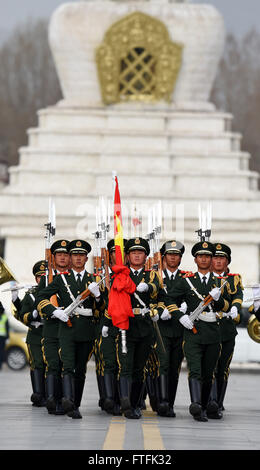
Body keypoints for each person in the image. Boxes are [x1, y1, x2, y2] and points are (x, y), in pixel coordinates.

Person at [37, 239, 105, 419]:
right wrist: (54, 311)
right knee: (67, 366)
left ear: (85, 258)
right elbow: (41, 297)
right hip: (66, 328)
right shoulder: (61, 279)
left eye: (81, 256)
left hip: (86, 329)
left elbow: (101, 309)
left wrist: (98, 296)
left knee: (80, 368)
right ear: (70, 258)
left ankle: (75, 403)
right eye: (74, 255)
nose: (77, 259)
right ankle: (67, 400)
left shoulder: (94, 280)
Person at [164, 241, 231, 422]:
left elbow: (226, 306)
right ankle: (196, 405)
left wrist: (217, 300)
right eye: (200, 256)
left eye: (207, 256)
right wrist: (179, 315)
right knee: (195, 369)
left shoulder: (220, 282)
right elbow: (169, 299)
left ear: (211, 259)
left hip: (212, 332)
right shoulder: (186, 281)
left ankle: (203, 404)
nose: (204, 259)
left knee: (209, 372)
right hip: (192, 331)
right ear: (195, 259)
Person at [103, 237, 160, 419]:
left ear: (145, 256)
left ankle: (135, 403)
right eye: (133, 252)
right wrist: (106, 322)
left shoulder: (151, 275)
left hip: (144, 324)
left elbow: (160, 293)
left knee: (139, 368)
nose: (137, 255)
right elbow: (112, 299)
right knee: (125, 366)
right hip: (125, 324)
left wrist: (149, 289)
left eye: (140, 252)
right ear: (127, 256)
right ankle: (125, 402)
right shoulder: (120, 275)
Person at [210, 242, 243, 418]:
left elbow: (238, 295)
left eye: (221, 258)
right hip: (208, 326)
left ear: (227, 261)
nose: (218, 261)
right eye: (215, 257)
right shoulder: (203, 277)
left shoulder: (234, 278)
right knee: (210, 366)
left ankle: (219, 402)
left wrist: (236, 307)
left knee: (223, 367)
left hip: (227, 329)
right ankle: (211, 401)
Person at [38, 239, 70, 415]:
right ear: (53, 257)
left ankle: (65, 400)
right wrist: (52, 310)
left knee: (67, 365)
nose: (63, 258)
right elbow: (39, 300)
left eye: (66, 254)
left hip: (70, 327)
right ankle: (51, 399)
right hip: (51, 327)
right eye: (59, 254)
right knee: (52, 364)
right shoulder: (46, 279)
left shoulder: (74, 277)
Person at [155, 240, 186, 417]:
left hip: (179, 328)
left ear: (180, 258)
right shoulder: (157, 277)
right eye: (170, 255)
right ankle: (163, 401)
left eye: (176, 255)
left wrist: (184, 309)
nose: (173, 258)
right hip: (161, 328)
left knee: (174, 367)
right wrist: (161, 310)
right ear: (164, 257)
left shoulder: (186, 278)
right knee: (163, 365)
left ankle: (170, 403)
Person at [19, 261, 47, 406]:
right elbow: (22, 314)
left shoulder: (54, 291)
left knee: (51, 364)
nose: (41, 279)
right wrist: (32, 316)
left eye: (44, 276)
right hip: (36, 335)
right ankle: (38, 394)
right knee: (37, 364)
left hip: (51, 334)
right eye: (39, 277)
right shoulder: (30, 295)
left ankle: (51, 394)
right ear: (35, 279)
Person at [0, 302, 9, 370]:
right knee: (2, 351)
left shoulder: (4, 318)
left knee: (2, 351)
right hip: (3, 337)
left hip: (2, 337)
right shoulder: (5, 317)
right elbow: (7, 328)